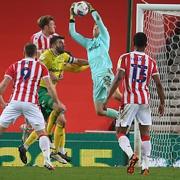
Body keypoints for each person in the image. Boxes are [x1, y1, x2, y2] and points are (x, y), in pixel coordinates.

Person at [18, 35, 89, 164]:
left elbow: (77, 62)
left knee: (57, 122)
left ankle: (26, 147)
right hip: (40, 90)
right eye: (60, 43)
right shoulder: (46, 56)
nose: (63, 45)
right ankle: (55, 150)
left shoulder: (64, 57)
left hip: (50, 93)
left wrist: (92, 62)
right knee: (60, 110)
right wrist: (51, 75)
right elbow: (38, 68)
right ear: (53, 45)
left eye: (63, 43)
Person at [105, 32, 165, 175]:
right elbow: (158, 84)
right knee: (145, 133)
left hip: (130, 100)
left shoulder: (125, 58)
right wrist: (162, 102)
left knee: (120, 132)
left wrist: (107, 99)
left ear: (133, 43)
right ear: (146, 44)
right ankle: (145, 166)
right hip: (144, 100)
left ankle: (132, 155)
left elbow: (119, 77)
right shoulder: (151, 62)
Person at [0, 43, 66, 170]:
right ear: (36, 54)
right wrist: (57, 101)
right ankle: (47, 160)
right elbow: (50, 87)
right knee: (42, 133)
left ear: (23, 52)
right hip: (31, 103)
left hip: (15, 102)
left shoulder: (14, 66)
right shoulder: (41, 67)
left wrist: (3, 104)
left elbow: (3, 87)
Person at [69, 2, 122, 121]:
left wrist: (91, 8)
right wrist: (71, 15)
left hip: (105, 73)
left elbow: (98, 19)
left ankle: (135, 107)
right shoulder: (88, 43)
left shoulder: (104, 38)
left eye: (97, 26)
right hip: (95, 78)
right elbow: (73, 34)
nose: (95, 28)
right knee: (99, 110)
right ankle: (121, 117)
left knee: (115, 95)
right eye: (94, 27)